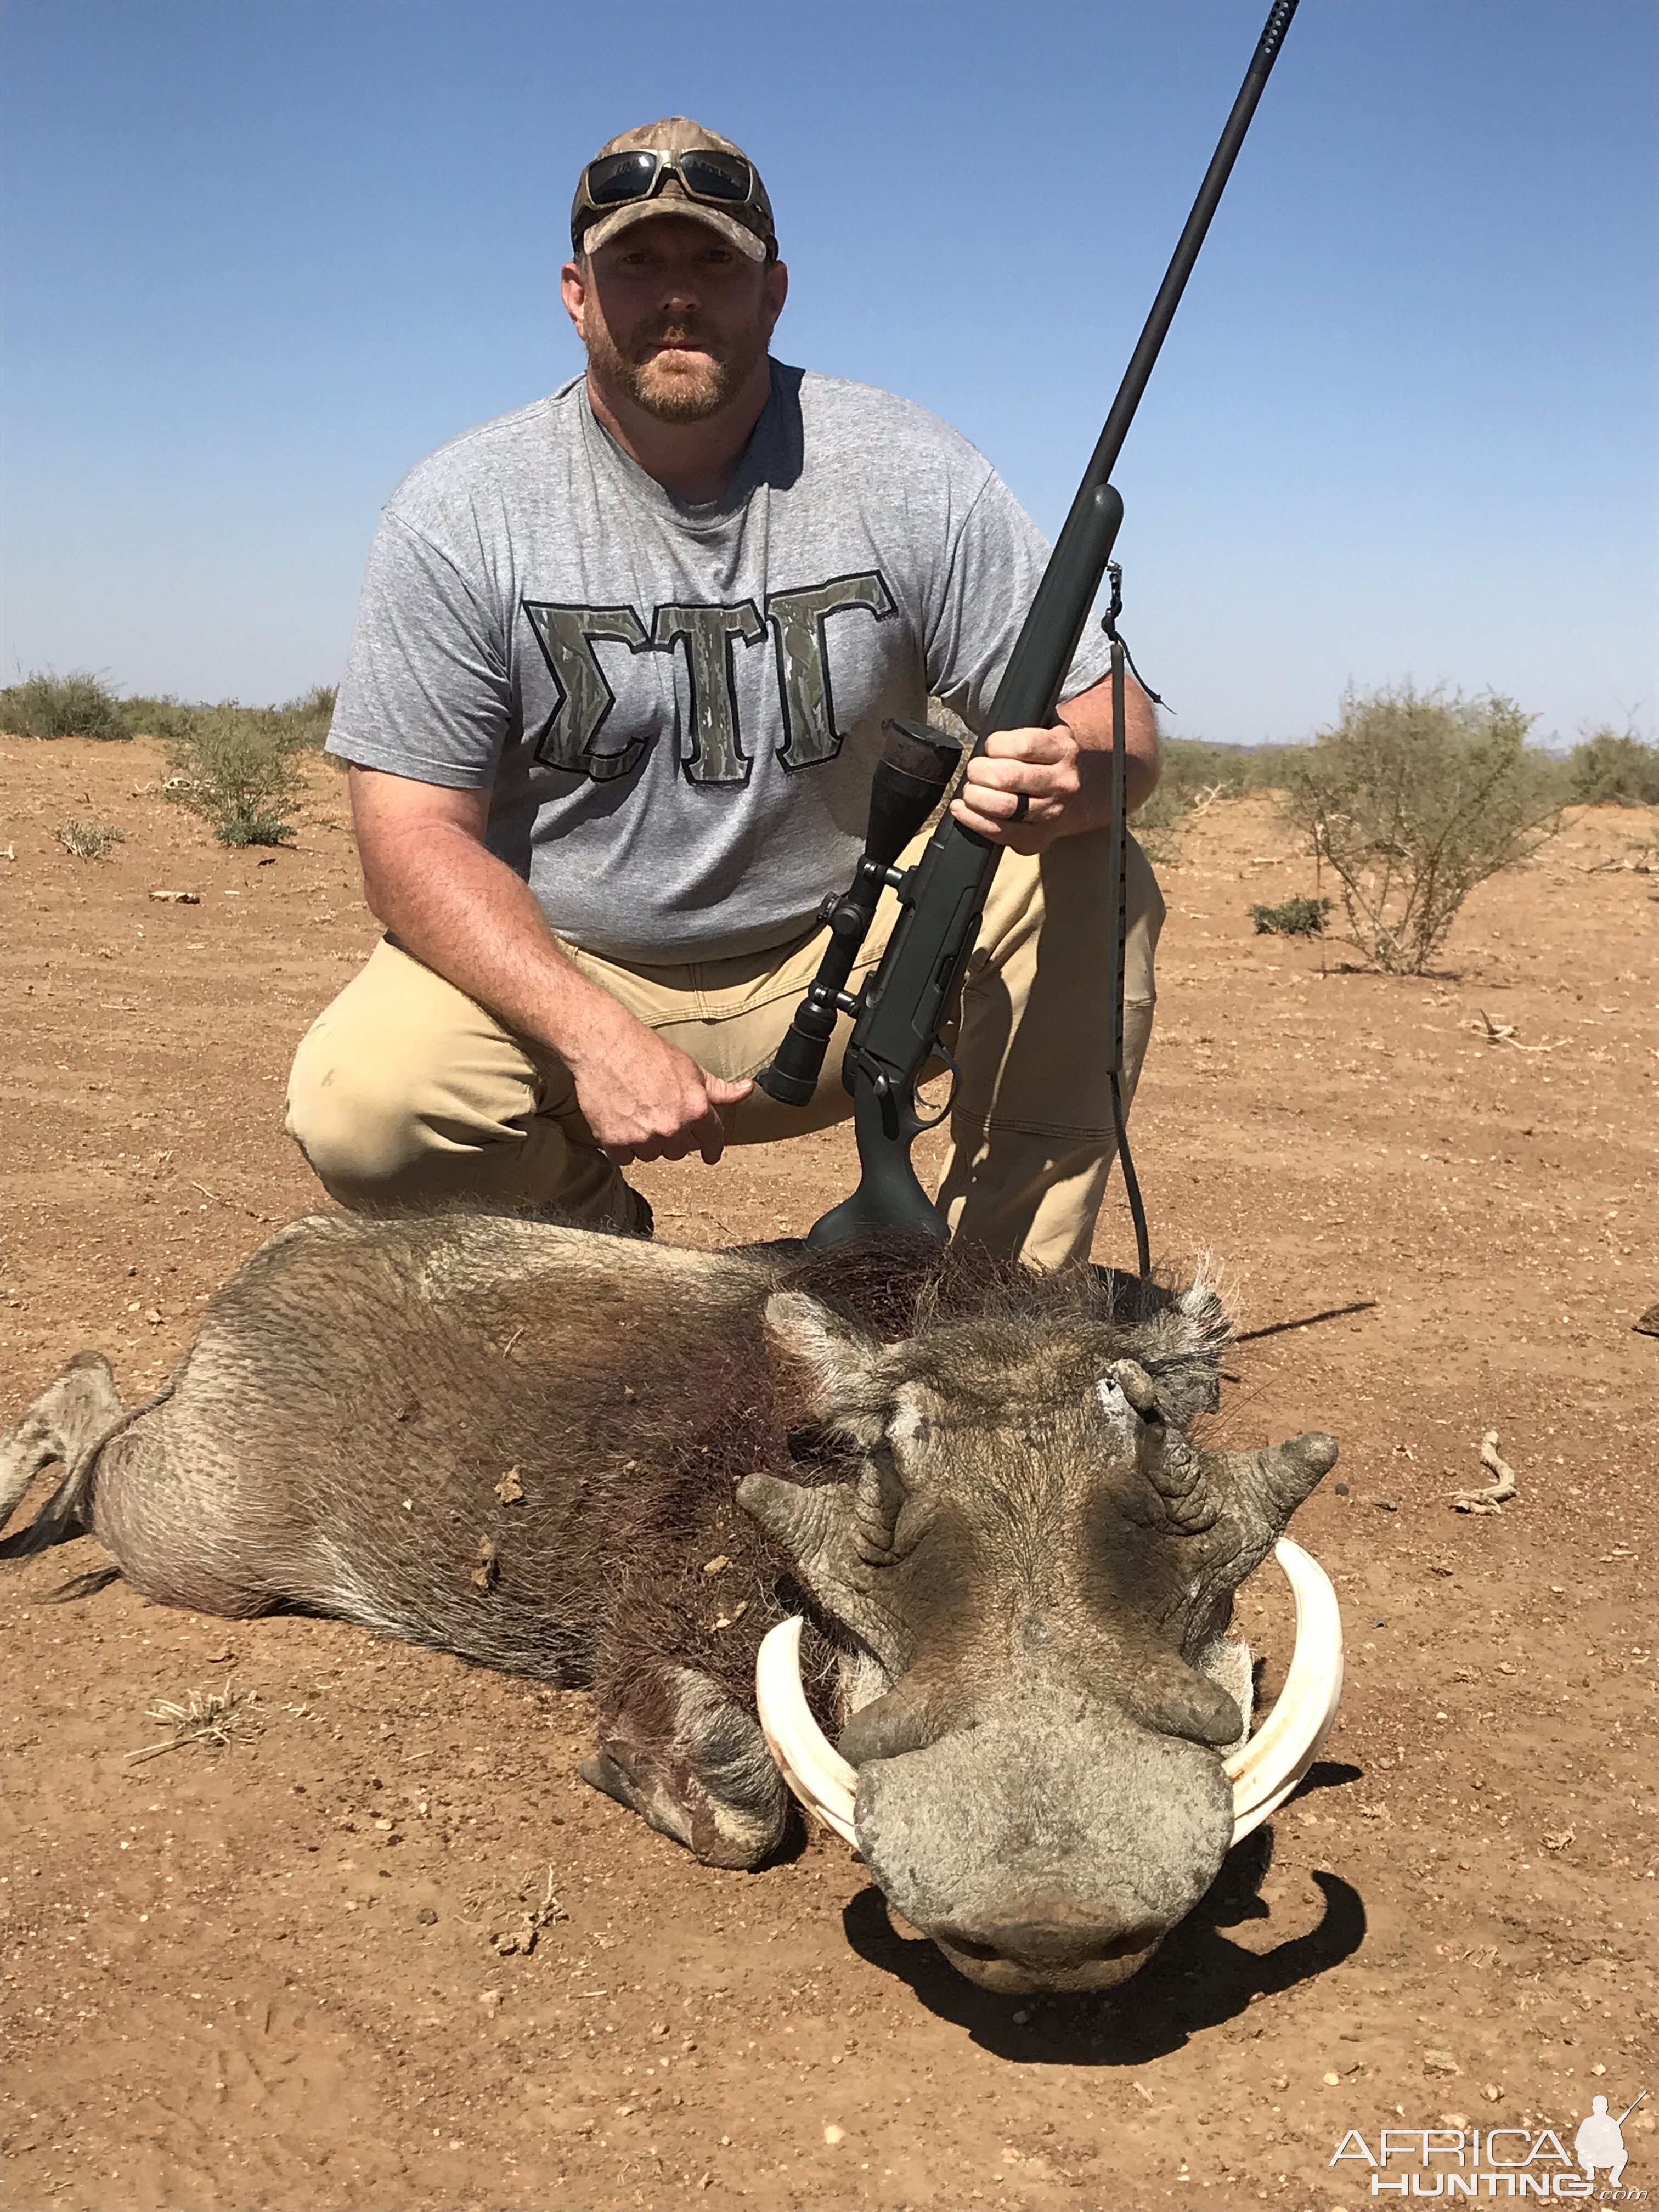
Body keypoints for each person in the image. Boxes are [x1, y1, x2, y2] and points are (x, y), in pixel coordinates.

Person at [285, 116, 1164, 1270]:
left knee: (1096, 866)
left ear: (774, 292)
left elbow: (1123, 727)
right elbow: (408, 843)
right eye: (637, 264)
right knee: (365, 1102)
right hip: (569, 974)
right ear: (577, 293)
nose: (677, 299)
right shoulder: (461, 510)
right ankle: (624, 1290)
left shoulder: (907, 468)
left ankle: (994, 1318)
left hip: (847, 957)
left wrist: (1083, 774)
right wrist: (592, 1032)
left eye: (713, 263)